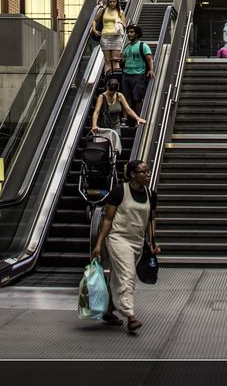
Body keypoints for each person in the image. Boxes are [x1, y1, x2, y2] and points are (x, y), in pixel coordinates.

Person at [92, 160, 158, 334]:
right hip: (118, 239)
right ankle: (130, 316)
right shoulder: (119, 192)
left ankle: (108, 311)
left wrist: (151, 242)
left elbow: (151, 220)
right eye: (143, 172)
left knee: (118, 276)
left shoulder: (151, 194)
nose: (147, 175)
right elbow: (107, 219)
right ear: (133, 174)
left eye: (148, 171)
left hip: (137, 241)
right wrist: (99, 243)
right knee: (128, 276)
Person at [91, 77, 146, 152]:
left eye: (114, 92)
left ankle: (113, 161)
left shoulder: (119, 96)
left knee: (115, 147)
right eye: (110, 91)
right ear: (107, 87)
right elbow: (96, 112)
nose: (112, 94)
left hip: (116, 126)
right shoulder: (101, 97)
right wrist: (94, 125)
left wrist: (137, 118)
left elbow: (128, 109)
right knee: (104, 147)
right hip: (104, 126)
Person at [120, 24, 155, 114]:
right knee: (126, 98)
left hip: (138, 74)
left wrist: (151, 70)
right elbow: (124, 59)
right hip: (126, 74)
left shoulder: (143, 45)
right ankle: (125, 119)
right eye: (128, 32)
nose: (129, 34)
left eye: (132, 32)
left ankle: (138, 118)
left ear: (137, 33)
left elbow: (149, 58)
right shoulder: (127, 47)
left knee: (137, 98)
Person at [91, 0, 128, 73]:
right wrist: (94, 29)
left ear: (117, 2)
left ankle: (115, 79)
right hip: (105, 37)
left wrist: (121, 22)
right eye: (110, 2)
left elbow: (125, 24)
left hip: (117, 37)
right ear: (108, 2)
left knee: (115, 60)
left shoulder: (120, 12)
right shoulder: (103, 10)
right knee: (107, 60)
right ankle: (107, 80)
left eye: (114, 2)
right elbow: (94, 20)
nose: (112, 3)